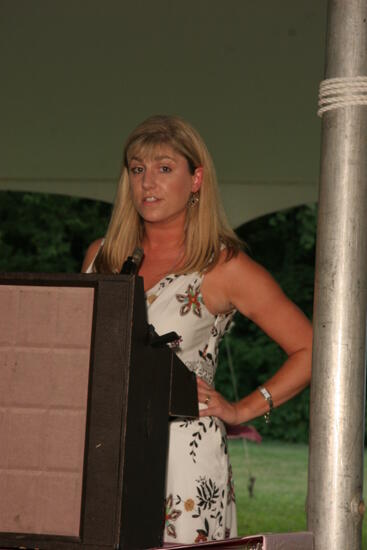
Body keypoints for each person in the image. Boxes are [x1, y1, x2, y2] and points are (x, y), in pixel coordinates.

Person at [82, 114, 312, 544]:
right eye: (137, 169)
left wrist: (244, 409)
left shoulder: (222, 266)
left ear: (195, 179)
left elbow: (313, 350)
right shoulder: (103, 257)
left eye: (164, 169)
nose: (147, 183)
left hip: (182, 457)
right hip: (105, 450)